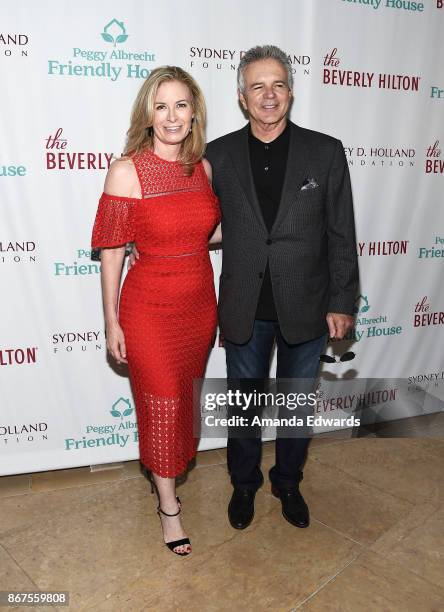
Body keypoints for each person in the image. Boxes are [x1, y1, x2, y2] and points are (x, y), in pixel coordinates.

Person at [204, 45, 359, 530]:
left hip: (308, 306)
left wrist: (341, 300)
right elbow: (198, 223)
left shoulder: (325, 150)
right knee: (244, 406)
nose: (268, 95)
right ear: (242, 97)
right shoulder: (218, 154)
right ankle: (244, 485)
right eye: (257, 86)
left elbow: (341, 231)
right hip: (244, 307)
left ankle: (287, 482)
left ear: (289, 92)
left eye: (277, 85)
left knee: (296, 406)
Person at [91, 66, 221, 556]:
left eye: (181, 105)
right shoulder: (126, 170)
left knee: (181, 401)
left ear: (194, 113)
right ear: (148, 113)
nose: (172, 116)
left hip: (198, 304)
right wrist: (111, 320)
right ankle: (169, 507)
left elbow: (205, 233)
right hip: (148, 308)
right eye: (161, 105)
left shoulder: (202, 169)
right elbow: (112, 251)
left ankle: (165, 480)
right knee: (162, 402)